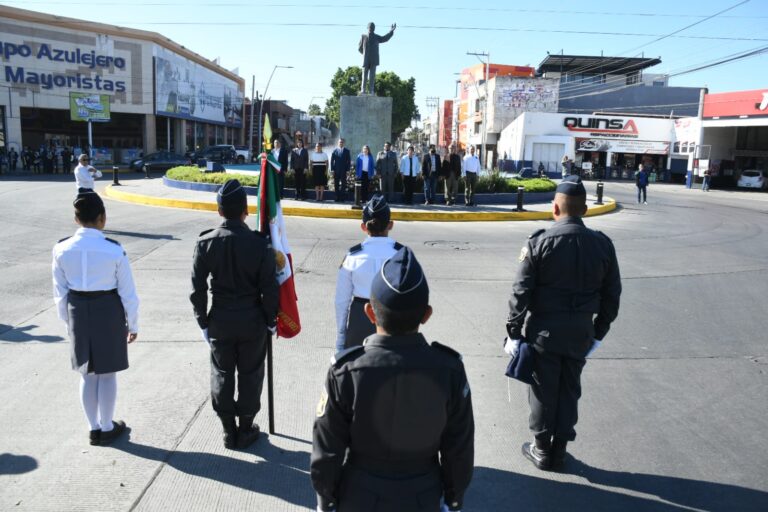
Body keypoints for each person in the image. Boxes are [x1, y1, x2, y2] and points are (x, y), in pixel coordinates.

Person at [312, 246, 474, 512]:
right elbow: (460, 448)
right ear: (426, 315)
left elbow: (327, 448)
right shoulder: (450, 369)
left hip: (358, 497)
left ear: (370, 313)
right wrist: (453, 500)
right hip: (423, 496)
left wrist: (326, 500)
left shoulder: (346, 370)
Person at [505, 175, 621, 472]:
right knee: (570, 388)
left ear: (555, 209)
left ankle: (542, 450)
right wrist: (598, 332)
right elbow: (612, 293)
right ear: (584, 209)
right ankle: (560, 450)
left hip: (544, 332)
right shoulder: (603, 245)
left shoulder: (540, 242)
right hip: (581, 331)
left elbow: (521, 291)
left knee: (543, 389)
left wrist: (513, 332)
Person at [190, 179, 279, 450]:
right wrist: (271, 320)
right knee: (251, 373)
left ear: (219, 211)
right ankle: (245, 427)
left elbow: (197, 288)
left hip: (220, 319)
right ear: (246, 210)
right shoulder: (259, 244)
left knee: (222, 372)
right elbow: (270, 288)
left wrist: (203, 321)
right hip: (252, 318)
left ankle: (229, 431)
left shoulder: (205, 243)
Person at [52, 192, 139, 446]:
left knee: (87, 374)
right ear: (102, 218)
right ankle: (107, 425)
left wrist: (68, 322)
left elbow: (59, 293)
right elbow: (128, 292)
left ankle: (93, 428)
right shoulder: (114, 249)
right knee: (107, 373)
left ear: (76, 218)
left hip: (77, 309)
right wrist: (133, 323)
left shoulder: (61, 248)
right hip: (108, 309)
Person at [334, 194, 402, 352]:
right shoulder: (402, 255)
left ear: (363, 227)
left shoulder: (352, 257)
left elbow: (341, 303)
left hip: (359, 322)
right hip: (393, 322)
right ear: (390, 225)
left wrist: (341, 339)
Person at [358, 22, 396, 95]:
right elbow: (359, 48)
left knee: (372, 76)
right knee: (364, 76)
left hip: (374, 60)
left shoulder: (376, 37)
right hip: (365, 59)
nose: (371, 28)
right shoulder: (363, 37)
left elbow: (385, 38)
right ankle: (363, 90)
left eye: (373, 27)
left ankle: (371, 91)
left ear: (374, 28)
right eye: (370, 27)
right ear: (368, 28)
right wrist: (365, 54)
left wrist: (391, 31)